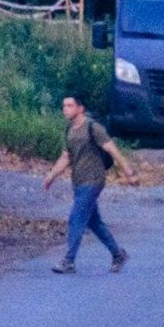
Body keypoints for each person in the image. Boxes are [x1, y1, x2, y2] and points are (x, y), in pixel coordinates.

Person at [42, 94, 134, 273]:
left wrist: (128, 171)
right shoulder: (69, 130)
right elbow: (66, 156)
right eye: (64, 106)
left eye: (69, 106)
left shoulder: (93, 127)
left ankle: (68, 261)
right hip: (78, 180)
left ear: (80, 108)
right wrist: (51, 176)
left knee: (76, 218)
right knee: (93, 222)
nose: (65, 109)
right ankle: (118, 253)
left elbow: (112, 149)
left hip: (93, 180)